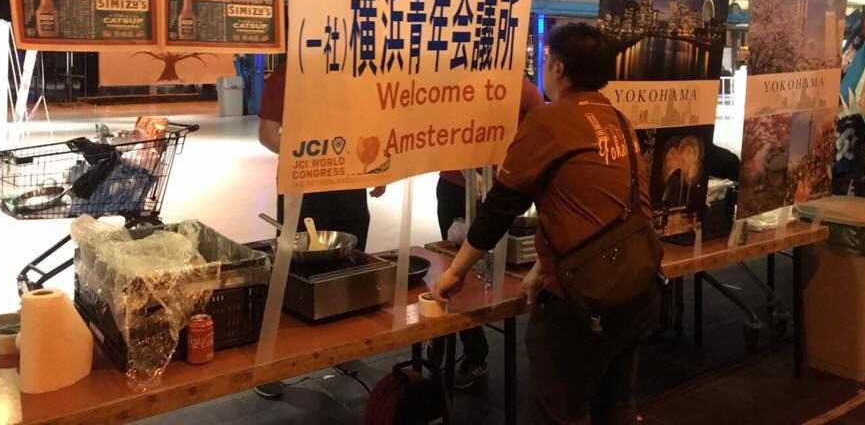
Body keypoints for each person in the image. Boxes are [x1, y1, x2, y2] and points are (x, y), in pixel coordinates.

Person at [434, 23, 661, 424]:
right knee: (616, 407)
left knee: (557, 412)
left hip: (583, 301)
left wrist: (456, 271)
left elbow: (501, 206)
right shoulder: (619, 120)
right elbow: (594, 205)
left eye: (546, 58)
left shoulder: (549, 121)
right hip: (639, 286)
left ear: (558, 67)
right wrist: (542, 267)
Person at [429, 75, 544, 389]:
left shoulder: (525, 92)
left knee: (478, 276)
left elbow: (538, 143)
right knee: (450, 267)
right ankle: (442, 334)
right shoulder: (459, 83)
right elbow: (440, 129)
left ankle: (475, 354)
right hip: (453, 187)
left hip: (497, 194)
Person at [257, 62, 384, 248]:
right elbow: (268, 135)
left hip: (339, 180)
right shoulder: (286, 75)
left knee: (339, 249)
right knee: (320, 251)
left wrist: (377, 167)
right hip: (307, 183)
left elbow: (268, 135)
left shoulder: (356, 74)